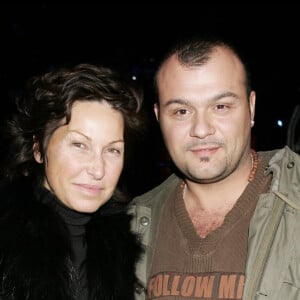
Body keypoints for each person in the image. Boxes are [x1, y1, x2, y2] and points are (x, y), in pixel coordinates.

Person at [130, 35, 300, 300]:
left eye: (220, 106)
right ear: (158, 117)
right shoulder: (129, 226)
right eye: (182, 111)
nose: (201, 129)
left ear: (251, 107)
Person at [0, 63, 144, 299]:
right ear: (38, 148)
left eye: (112, 150)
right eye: (79, 145)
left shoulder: (121, 250)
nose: (98, 169)